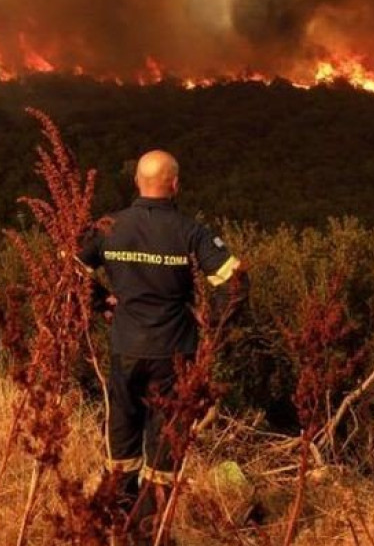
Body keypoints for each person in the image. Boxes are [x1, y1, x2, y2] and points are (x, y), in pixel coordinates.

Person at [79, 149, 244, 542]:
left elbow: (66, 273)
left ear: (137, 182)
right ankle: (151, 532)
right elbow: (235, 284)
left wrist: (100, 301)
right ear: (175, 185)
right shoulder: (192, 231)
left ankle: (118, 524)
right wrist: (215, 327)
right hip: (174, 355)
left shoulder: (107, 228)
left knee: (121, 442)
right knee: (164, 448)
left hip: (125, 350)